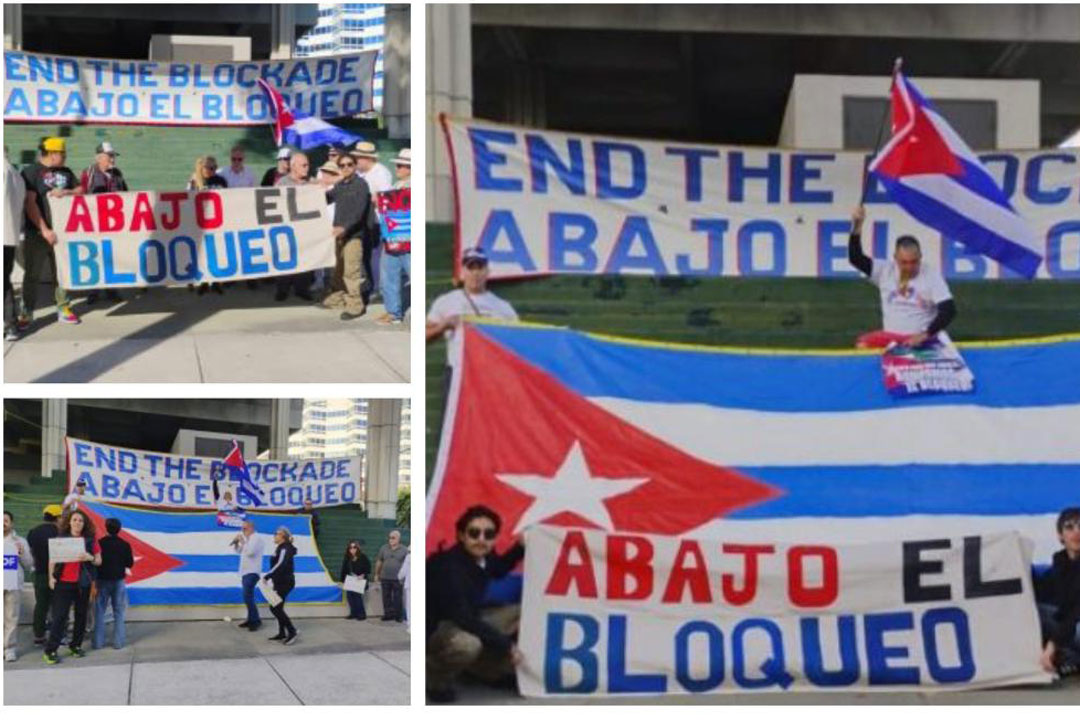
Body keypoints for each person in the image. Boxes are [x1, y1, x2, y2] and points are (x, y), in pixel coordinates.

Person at [427, 505, 525, 703]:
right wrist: (507, 645)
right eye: (474, 533)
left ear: (494, 538)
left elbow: (499, 569)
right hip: (437, 628)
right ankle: (433, 678)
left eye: (488, 534)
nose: (481, 539)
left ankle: (483, 670)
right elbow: (462, 618)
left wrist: (520, 547)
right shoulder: (447, 567)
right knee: (468, 644)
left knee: (523, 612)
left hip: (468, 617)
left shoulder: (483, 558)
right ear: (461, 535)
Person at [848, 205, 957, 349]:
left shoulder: (931, 274)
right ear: (895, 258)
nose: (909, 267)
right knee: (862, 345)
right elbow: (856, 258)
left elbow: (949, 310)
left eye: (914, 262)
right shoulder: (885, 270)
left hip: (922, 338)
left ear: (920, 258)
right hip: (891, 338)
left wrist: (925, 334)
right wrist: (857, 226)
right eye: (904, 262)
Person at [427, 246, 519, 384]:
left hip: (492, 377)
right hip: (458, 376)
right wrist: (443, 326)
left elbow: (516, 345)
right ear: (463, 272)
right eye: (471, 267)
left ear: (487, 271)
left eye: (480, 267)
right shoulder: (446, 302)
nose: (475, 273)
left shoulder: (503, 308)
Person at [21, 137, 83, 327]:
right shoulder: (31, 172)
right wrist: (45, 229)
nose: (65, 157)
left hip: (63, 233)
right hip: (38, 233)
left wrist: (67, 193)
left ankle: (63, 307)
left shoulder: (65, 172)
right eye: (62, 154)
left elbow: (81, 189)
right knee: (32, 274)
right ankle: (27, 311)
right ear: (51, 154)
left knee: (62, 272)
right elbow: (29, 203)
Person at [322, 150, 375, 320]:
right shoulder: (340, 185)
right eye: (342, 165)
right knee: (338, 270)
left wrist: (344, 228)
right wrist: (310, 194)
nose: (346, 167)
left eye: (349, 164)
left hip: (354, 236)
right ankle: (338, 298)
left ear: (355, 166)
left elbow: (358, 213)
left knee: (351, 272)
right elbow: (326, 198)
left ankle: (355, 306)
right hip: (339, 235)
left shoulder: (361, 185)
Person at [44, 509, 102, 664]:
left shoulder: (90, 540)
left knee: (81, 616)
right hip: (63, 583)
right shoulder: (61, 539)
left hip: (83, 584)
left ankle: (75, 645)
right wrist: (51, 577)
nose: (78, 523)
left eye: (81, 520)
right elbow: (53, 560)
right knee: (60, 617)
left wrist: (89, 557)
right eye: (75, 519)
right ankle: (50, 650)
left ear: (85, 524)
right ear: (69, 522)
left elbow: (98, 561)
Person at [80, 142, 128, 305]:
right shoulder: (89, 172)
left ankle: (111, 289)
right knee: (96, 255)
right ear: (99, 157)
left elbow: (126, 195)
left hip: (114, 224)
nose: (113, 159)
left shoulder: (117, 173)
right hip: (95, 224)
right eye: (110, 156)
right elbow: (82, 196)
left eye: (113, 156)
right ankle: (94, 290)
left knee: (112, 256)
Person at [1037, 507, 1080, 678]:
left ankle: (1066, 656)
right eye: (1070, 527)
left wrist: (1052, 645)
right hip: (1070, 629)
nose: (1077, 532)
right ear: (1060, 536)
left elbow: (1077, 610)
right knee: (1036, 610)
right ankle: (1069, 658)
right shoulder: (1059, 563)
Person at [354, 141, 393, 299]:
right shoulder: (360, 173)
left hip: (377, 220)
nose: (356, 161)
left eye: (358, 158)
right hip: (363, 220)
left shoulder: (381, 173)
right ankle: (371, 284)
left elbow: (383, 197)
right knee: (366, 255)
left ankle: (378, 287)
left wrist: (362, 199)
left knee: (375, 256)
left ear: (367, 158)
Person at [376, 148, 411, 326]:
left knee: (401, 274)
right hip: (393, 238)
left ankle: (395, 312)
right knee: (389, 275)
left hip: (407, 240)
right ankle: (393, 312)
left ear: (409, 168)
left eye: (400, 165)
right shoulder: (396, 187)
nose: (396, 168)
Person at [274, 153, 315, 302]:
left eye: (307, 165)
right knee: (285, 257)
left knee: (304, 259)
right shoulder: (282, 183)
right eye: (303, 165)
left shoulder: (312, 182)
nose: (307, 168)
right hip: (286, 228)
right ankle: (282, 289)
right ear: (293, 166)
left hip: (305, 228)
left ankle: (302, 289)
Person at [188, 156, 228, 296]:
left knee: (216, 252)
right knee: (203, 253)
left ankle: (216, 282)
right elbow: (187, 200)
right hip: (201, 223)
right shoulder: (194, 181)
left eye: (214, 168)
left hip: (217, 222)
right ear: (201, 168)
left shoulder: (220, 180)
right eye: (209, 168)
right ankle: (204, 282)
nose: (212, 170)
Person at [93, 517, 133, 650]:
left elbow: (95, 562)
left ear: (106, 527)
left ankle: (98, 643)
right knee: (119, 612)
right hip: (118, 580)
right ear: (119, 529)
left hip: (102, 580)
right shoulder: (125, 544)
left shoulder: (99, 543)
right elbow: (130, 563)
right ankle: (118, 643)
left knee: (99, 612)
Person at [26, 505, 61, 646]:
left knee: (41, 605)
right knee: (58, 606)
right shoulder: (60, 532)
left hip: (40, 574)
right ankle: (58, 634)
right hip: (58, 575)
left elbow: (29, 553)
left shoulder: (33, 532)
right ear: (57, 518)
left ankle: (39, 636)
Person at [4, 510, 35, 661]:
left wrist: (22, 553)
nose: (3, 523)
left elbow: (29, 564)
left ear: (11, 523)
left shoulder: (20, 541)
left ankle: (9, 648)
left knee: (11, 617)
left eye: (6, 521)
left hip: (12, 584)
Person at [4, 146, 26, 341]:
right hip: (9, 236)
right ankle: (11, 324)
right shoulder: (15, 174)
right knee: (5, 281)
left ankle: (11, 324)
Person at [230, 520, 266, 632]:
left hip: (252, 571)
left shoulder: (256, 538)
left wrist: (243, 541)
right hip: (245, 572)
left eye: (244, 529)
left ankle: (256, 621)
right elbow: (239, 551)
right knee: (247, 597)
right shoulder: (249, 539)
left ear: (251, 528)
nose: (243, 531)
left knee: (248, 596)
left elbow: (250, 552)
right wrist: (237, 543)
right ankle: (251, 619)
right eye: (242, 529)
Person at [265, 526, 298, 645]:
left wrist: (267, 576)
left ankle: (292, 631)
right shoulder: (280, 548)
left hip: (285, 582)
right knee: (278, 607)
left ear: (283, 536)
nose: (274, 535)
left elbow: (281, 564)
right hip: (279, 582)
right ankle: (282, 633)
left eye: (276, 534)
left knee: (275, 607)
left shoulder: (285, 548)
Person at [374, 529, 408, 622]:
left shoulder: (404, 550)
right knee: (386, 597)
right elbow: (379, 561)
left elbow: (408, 564)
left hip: (398, 579)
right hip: (385, 577)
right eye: (389, 538)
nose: (390, 540)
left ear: (398, 539)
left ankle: (398, 616)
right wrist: (376, 574)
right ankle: (388, 615)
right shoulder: (384, 548)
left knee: (398, 598)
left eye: (393, 538)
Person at [339, 540, 371, 620]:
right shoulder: (347, 557)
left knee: (357, 597)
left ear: (357, 548)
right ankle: (353, 613)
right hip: (350, 580)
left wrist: (362, 575)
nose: (352, 549)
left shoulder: (363, 557)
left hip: (359, 580)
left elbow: (368, 568)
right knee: (350, 597)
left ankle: (361, 614)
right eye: (350, 547)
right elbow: (344, 569)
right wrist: (342, 581)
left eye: (354, 547)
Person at [398, 550, 411, 631]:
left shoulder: (409, 557)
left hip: (410, 584)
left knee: (410, 606)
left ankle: (411, 625)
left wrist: (399, 577)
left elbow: (404, 570)